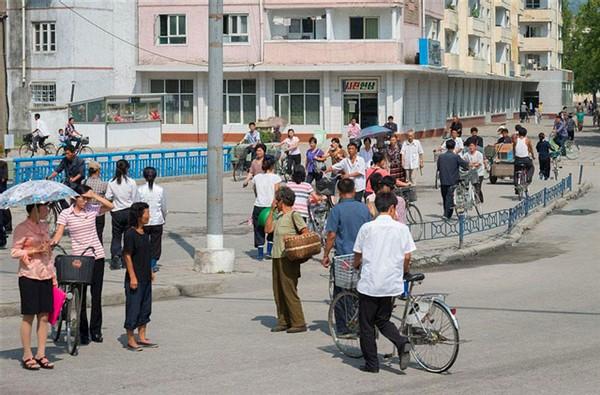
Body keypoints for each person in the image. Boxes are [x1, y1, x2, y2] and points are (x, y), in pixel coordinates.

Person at [352, 192, 415, 373]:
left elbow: (358, 253)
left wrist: (356, 265)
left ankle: (372, 364)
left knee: (366, 325)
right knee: (382, 319)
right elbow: (407, 255)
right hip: (390, 283)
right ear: (392, 208)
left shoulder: (367, 228)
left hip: (370, 283)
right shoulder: (402, 229)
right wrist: (404, 271)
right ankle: (402, 342)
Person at [52, 185, 113, 345]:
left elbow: (111, 206)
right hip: (79, 259)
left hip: (96, 256)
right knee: (80, 297)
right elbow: (58, 233)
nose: (85, 201)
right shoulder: (66, 213)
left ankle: (96, 330)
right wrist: (51, 243)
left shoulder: (92, 209)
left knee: (96, 295)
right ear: (74, 197)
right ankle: (83, 331)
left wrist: (94, 196)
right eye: (82, 198)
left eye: (87, 198)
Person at [322, 179, 371, 335]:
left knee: (341, 292)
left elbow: (331, 235)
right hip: (362, 257)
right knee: (360, 291)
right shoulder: (363, 208)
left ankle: (343, 327)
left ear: (339, 192)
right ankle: (360, 323)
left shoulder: (337, 210)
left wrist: (325, 254)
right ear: (355, 189)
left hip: (344, 257)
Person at [11, 204, 57, 370]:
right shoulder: (22, 228)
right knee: (29, 315)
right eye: (45, 208)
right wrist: (33, 251)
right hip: (29, 274)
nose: (47, 210)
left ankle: (41, 353)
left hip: (45, 273)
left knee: (44, 315)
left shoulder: (44, 226)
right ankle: (27, 354)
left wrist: (52, 274)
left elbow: (48, 253)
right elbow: (14, 252)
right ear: (35, 209)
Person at [264, 186, 308, 334]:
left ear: (281, 200)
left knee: (289, 290)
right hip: (277, 257)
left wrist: (292, 240)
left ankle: (298, 322)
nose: (275, 202)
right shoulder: (279, 216)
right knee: (278, 291)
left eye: (277, 199)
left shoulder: (294, 215)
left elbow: (305, 233)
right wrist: (271, 211)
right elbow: (268, 230)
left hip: (288, 258)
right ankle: (283, 320)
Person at [123, 202, 158, 351]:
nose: (148, 216)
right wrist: (132, 277)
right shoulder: (130, 234)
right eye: (146, 213)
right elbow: (127, 255)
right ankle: (131, 339)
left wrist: (151, 271)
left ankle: (142, 336)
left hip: (146, 276)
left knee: (145, 307)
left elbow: (147, 254)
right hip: (135, 278)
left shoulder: (145, 233)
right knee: (134, 308)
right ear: (139, 215)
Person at [106, 159, 139, 270]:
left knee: (116, 235)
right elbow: (135, 199)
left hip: (116, 212)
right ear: (127, 169)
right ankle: (126, 259)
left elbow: (108, 197)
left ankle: (116, 256)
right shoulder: (131, 182)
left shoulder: (111, 182)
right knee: (128, 236)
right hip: (129, 211)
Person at [251, 156, 281, 260]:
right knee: (272, 229)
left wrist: (259, 197)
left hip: (258, 206)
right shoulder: (276, 177)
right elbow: (277, 193)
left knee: (258, 229)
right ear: (273, 165)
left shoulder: (257, 177)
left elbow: (254, 190)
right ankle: (269, 251)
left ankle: (259, 254)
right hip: (271, 207)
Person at [138, 167, 167, 273]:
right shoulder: (160, 189)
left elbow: (137, 205)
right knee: (156, 243)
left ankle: (143, 263)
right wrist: (163, 217)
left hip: (144, 221)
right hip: (157, 221)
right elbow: (163, 207)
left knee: (143, 243)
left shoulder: (140, 189)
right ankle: (153, 263)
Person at [437, 139, 469, 219]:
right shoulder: (456, 157)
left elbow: (438, 167)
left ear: (446, 147)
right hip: (453, 181)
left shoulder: (441, 157)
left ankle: (446, 213)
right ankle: (446, 215)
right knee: (449, 197)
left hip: (443, 180)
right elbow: (465, 165)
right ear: (454, 147)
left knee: (445, 197)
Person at [83, 161, 108, 244]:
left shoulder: (84, 182)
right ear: (98, 171)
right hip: (99, 212)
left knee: (87, 235)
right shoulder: (103, 184)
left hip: (87, 211)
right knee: (98, 234)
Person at [513, 126, 535, 192]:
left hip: (517, 159)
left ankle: (516, 184)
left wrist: (514, 156)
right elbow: (531, 149)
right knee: (531, 167)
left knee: (516, 170)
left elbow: (514, 149)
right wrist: (533, 156)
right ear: (525, 134)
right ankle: (528, 178)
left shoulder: (515, 140)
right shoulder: (527, 140)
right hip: (525, 159)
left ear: (519, 133)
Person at [0, 159, 11, 248]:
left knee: (4, 210)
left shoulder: (3, 164)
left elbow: (4, 178)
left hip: (1, 192)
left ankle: (7, 228)